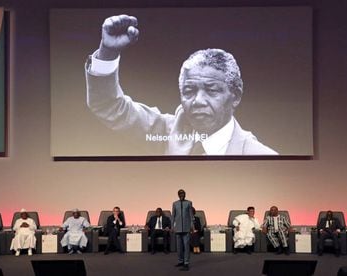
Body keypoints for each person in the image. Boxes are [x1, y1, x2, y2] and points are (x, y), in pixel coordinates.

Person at [85, 14, 278, 156]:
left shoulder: (262, 156)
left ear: (235, 96)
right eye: (189, 91)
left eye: (211, 90)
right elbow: (108, 105)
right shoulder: (165, 132)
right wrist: (107, 52)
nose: (198, 101)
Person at [172, 189, 193, 271]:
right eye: (180, 194)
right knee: (179, 247)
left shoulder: (189, 203)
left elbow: (191, 216)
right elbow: (173, 216)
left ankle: (186, 263)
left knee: (186, 246)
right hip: (178, 228)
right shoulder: (175, 204)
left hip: (186, 228)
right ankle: (180, 261)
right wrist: (172, 226)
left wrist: (192, 226)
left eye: (183, 193)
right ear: (178, 195)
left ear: (185, 195)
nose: (182, 195)